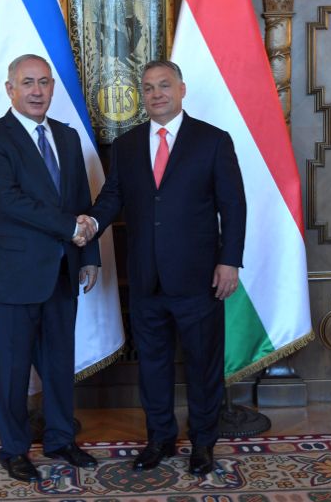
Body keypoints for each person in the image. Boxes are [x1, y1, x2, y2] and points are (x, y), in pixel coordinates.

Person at [80, 60, 246, 475]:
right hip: (146, 279)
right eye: (149, 87)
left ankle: (204, 443)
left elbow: (234, 206)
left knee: (202, 365)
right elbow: (112, 197)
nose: (156, 94)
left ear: (182, 89)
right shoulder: (127, 145)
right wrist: (91, 223)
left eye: (164, 86)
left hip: (200, 278)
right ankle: (160, 440)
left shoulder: (213, 141)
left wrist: (230, 260)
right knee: (152, 365)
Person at [0, 53, 100, 482]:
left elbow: (81, 201)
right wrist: (70, 229)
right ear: (10, 89)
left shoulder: (66, 137)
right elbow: (6, 200)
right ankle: (14, 449)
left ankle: (61, 439)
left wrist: (90, 256)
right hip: (13, 274)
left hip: (63, 270)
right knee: (12, 368)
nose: (37, 91)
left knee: (60, 364)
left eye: (44, 82)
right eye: (27, 82)